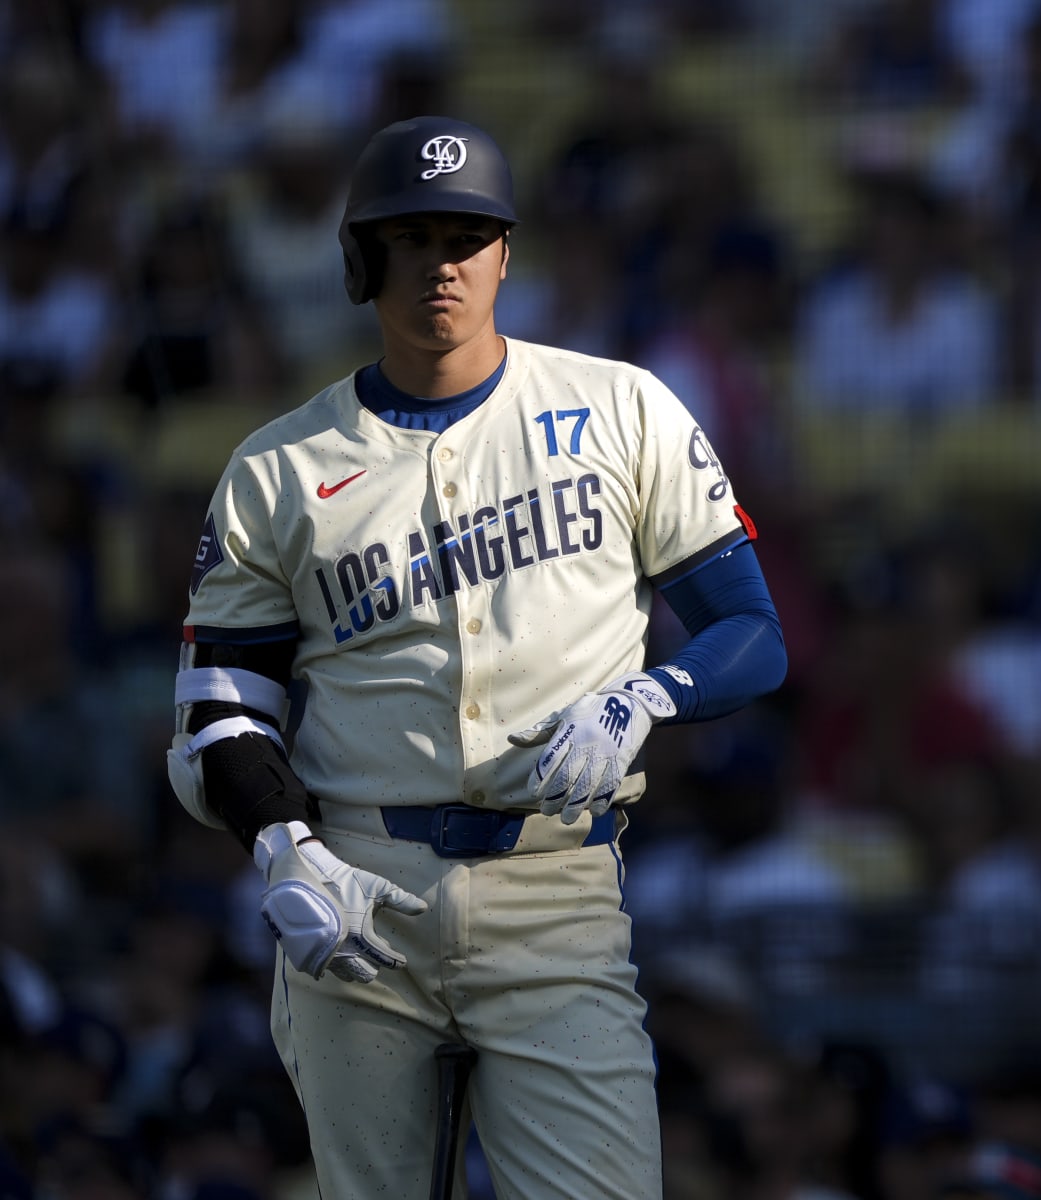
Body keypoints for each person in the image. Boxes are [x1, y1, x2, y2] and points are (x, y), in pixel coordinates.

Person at [164, 115, 786, 1199]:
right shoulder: (275, 467)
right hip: (358, 894)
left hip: (556, 887)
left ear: (506, 252)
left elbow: (751, 632)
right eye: (410, 238)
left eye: (466, 235)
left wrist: (648, 697)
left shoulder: (622, 406)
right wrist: (279, 846)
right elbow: (221, 702)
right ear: (362, 261)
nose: (440, 265)